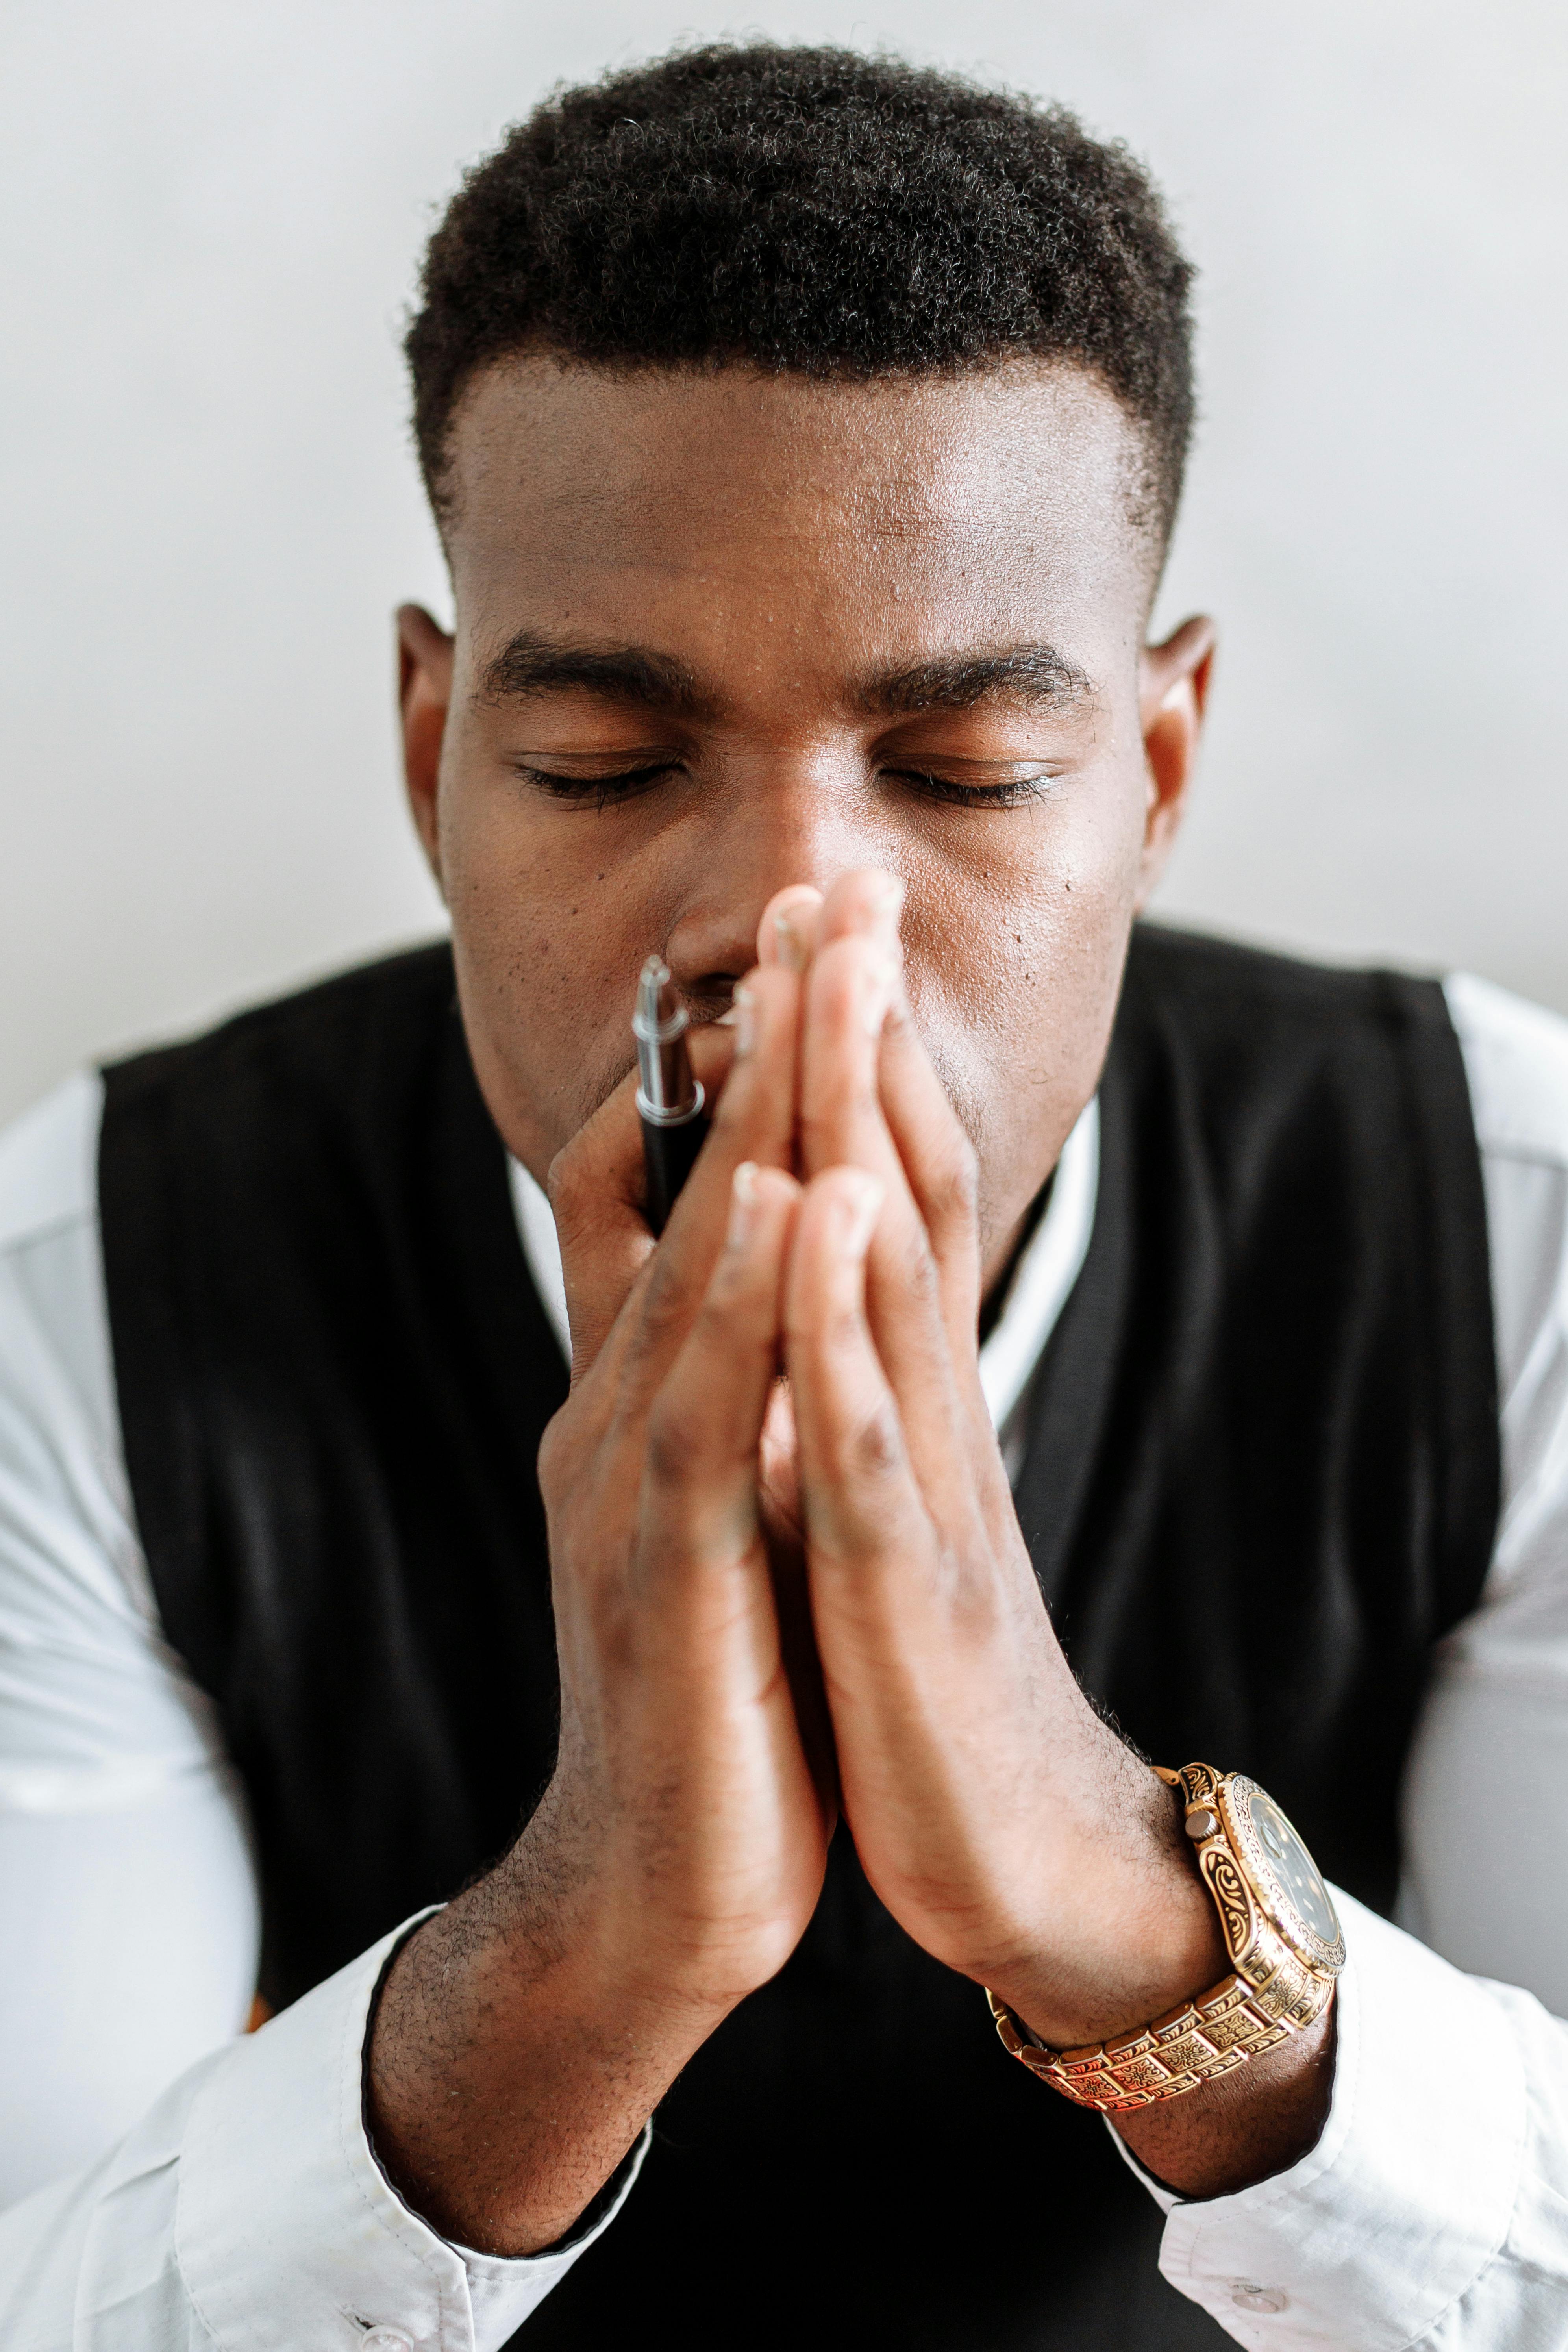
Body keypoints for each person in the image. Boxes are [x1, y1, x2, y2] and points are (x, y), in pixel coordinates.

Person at [2, 41, 1566, 2351]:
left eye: (963, 771)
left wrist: (1122, 1902)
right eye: (608, 764)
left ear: (1150, 768)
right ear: (439, 757)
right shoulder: (88, 1295)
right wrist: (589, 1939)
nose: (789, 920)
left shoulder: (1502, 1225)